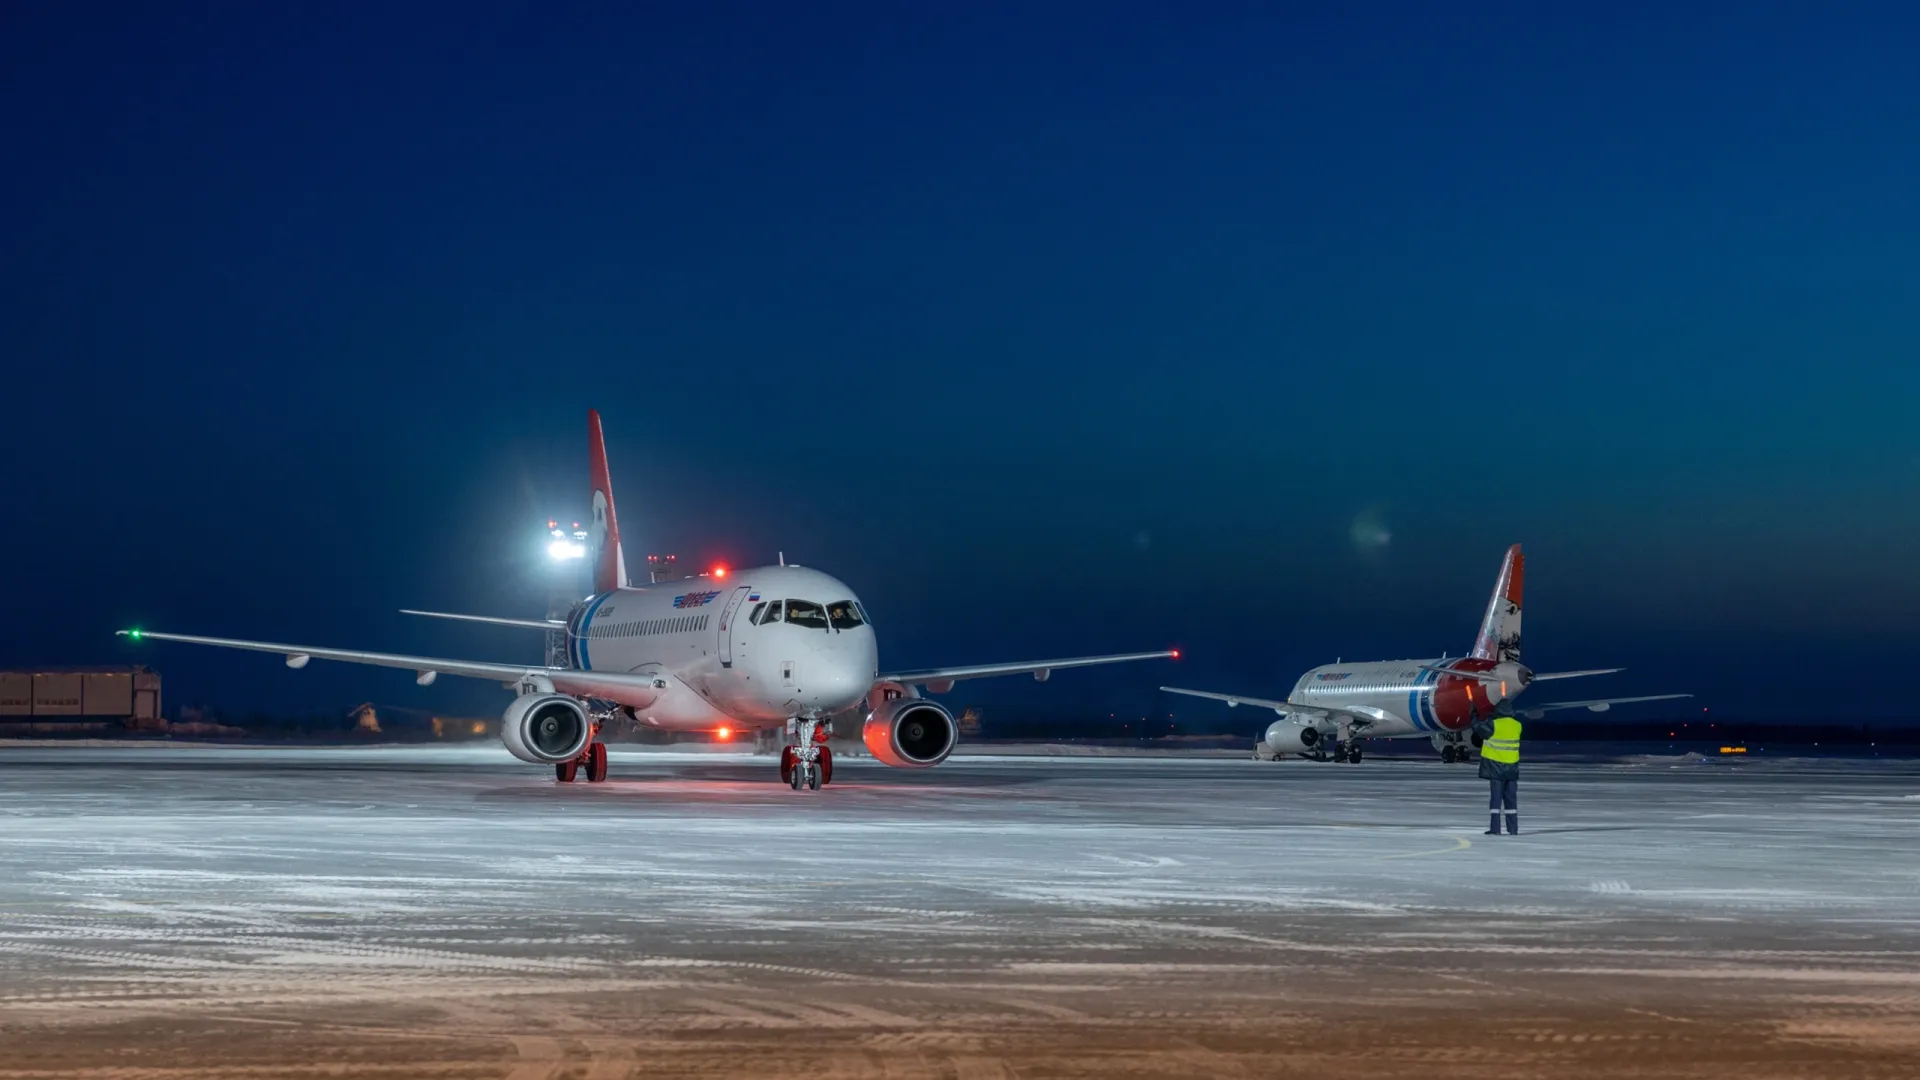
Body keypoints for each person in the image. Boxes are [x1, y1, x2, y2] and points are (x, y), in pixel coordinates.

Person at [1473, 708, 1522, 835]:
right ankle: (1513, 829)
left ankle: (1495, 828)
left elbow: (1479, 729)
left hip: (1496, 768)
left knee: (1496, 800)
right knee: (1511, 800)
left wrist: (1474, 716)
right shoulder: (1517, 725)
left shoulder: (1494, 724)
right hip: (1512, 769)